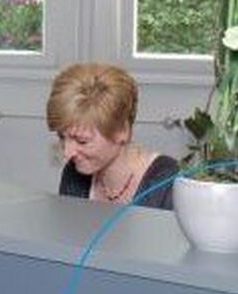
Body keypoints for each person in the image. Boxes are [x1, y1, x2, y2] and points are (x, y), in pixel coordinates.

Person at [46, 62, 178, 210]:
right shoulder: (74, 173)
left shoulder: (169, 184)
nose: (67, 153)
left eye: (82, 141)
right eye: (62, 137)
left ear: (122, 131)